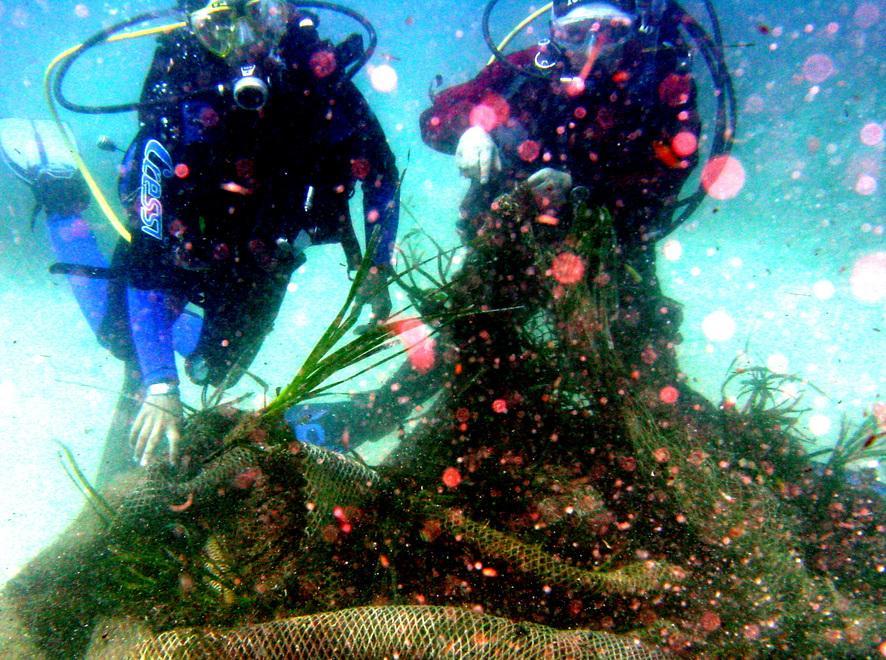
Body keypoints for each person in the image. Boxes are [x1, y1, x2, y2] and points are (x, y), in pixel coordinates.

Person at [4, 0, 400, 474]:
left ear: (289, 16)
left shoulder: (324, 92)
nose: (245, 44)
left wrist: (378, 262)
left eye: (261, 17)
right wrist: (160, 386)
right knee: (121, 337)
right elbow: (149, 262)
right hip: (186, 248)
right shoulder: (176, 111)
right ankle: (60, 193)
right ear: (193, 29)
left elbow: (379, 174)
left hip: (263, 252)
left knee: (221, 369)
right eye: (219, 28)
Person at [421, 0, 702, 374]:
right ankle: (363, 417)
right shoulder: (528, 70)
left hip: (615, 250)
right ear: (554, 31)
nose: (591, 49)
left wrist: (583, 187)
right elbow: (436, 118)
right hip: (516, 245)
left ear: (634, 31)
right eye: (575, 33)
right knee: (461, 353)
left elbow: (672, 169)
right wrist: (470, 128)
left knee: (646, 370)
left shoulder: (658, 82)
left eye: (610, 33)